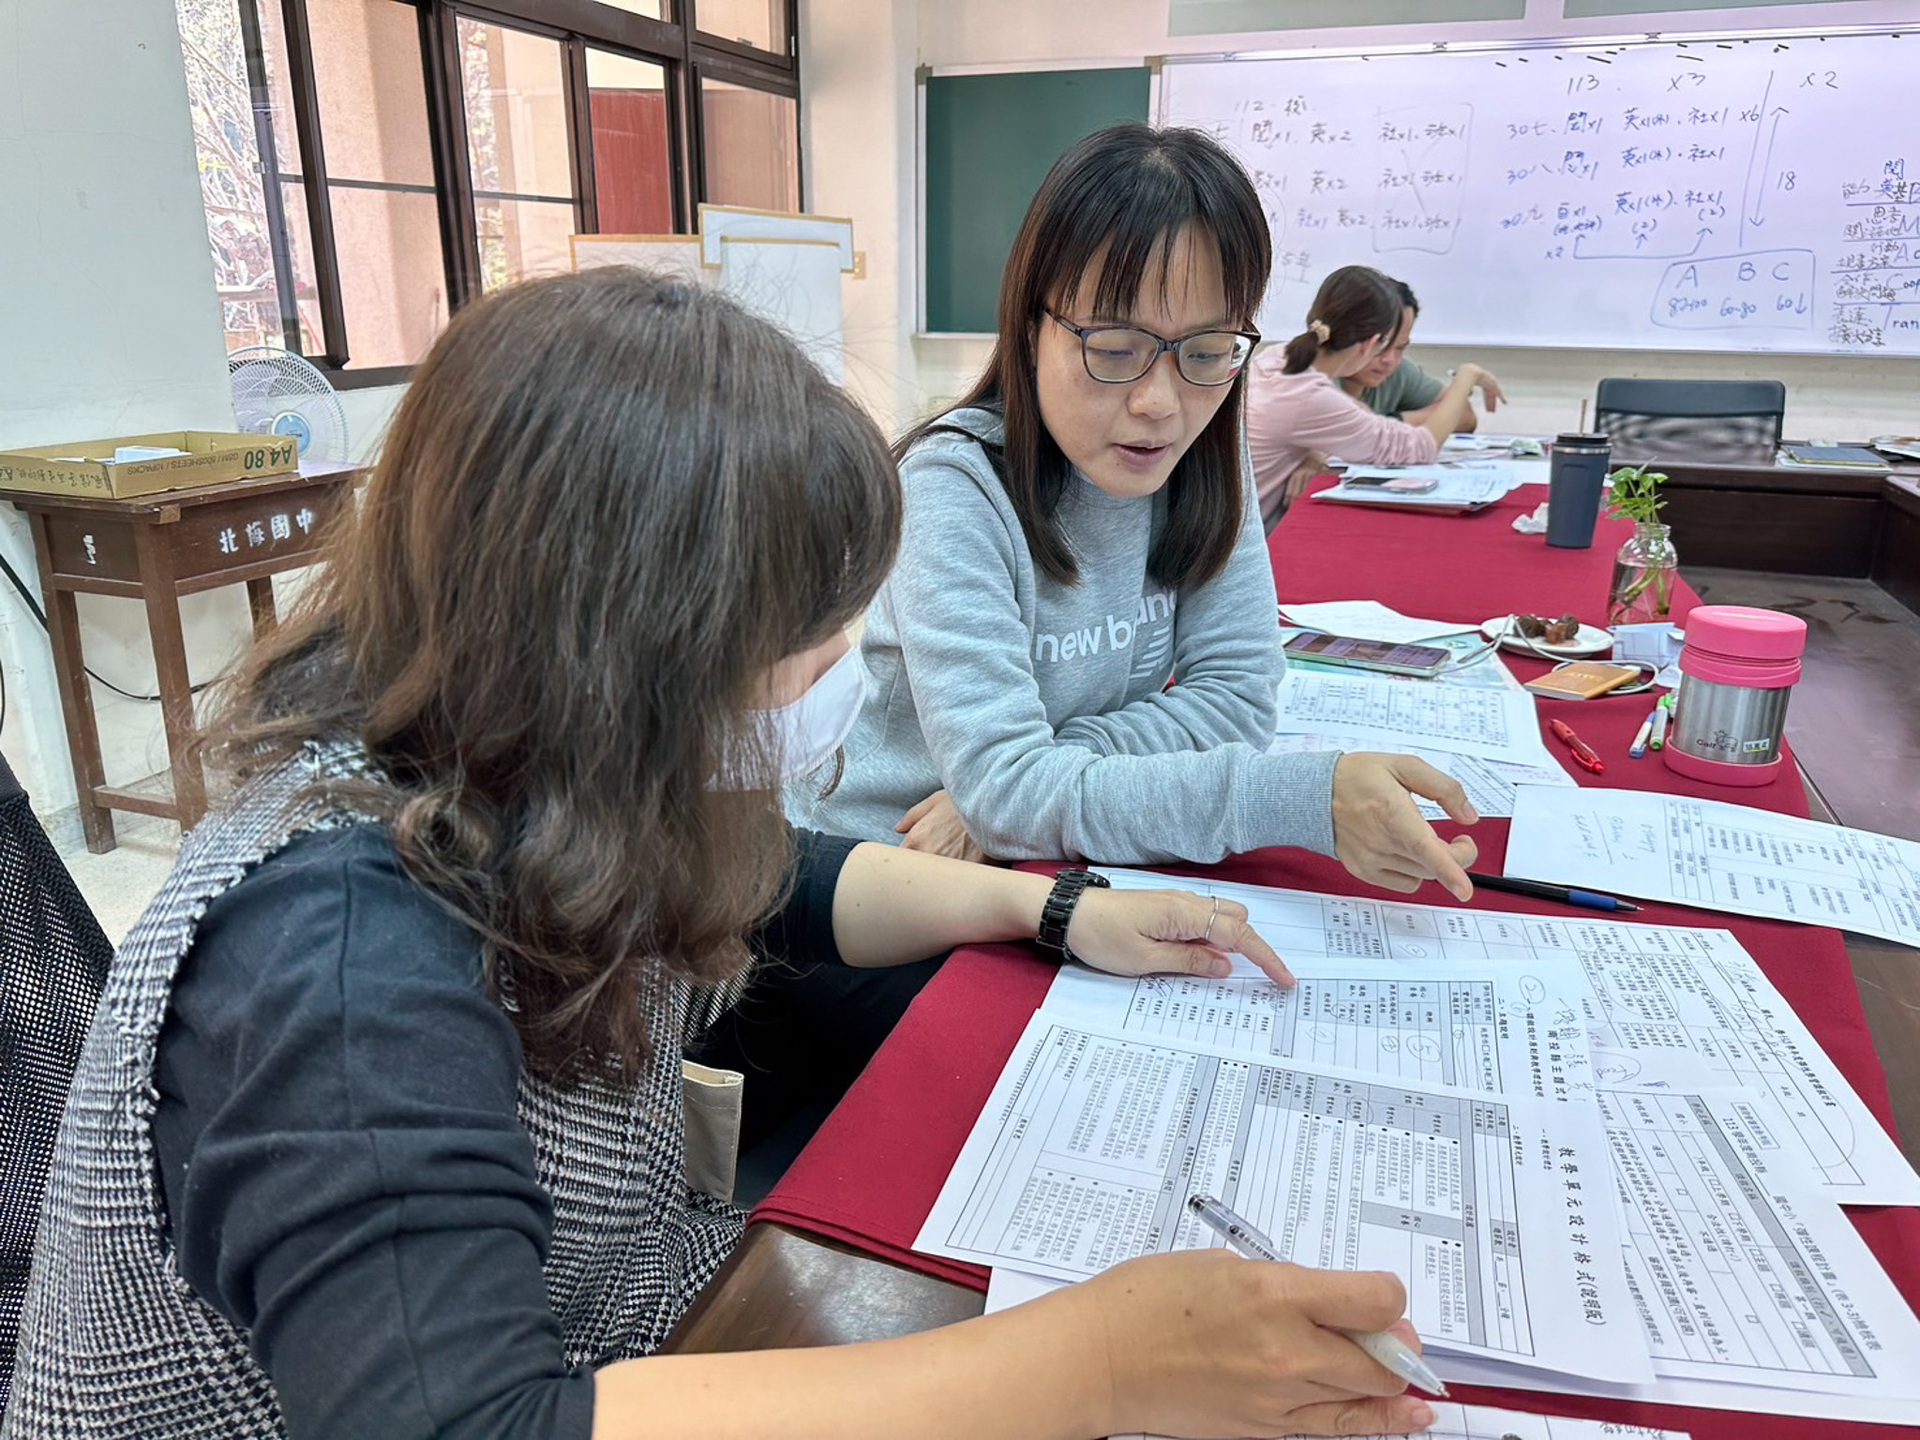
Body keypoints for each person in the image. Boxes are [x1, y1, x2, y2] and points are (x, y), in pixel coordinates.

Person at [3, 269, 1438, 1440]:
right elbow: (467, 1422)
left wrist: (1046, 910)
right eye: (801, 639)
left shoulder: (542, 760)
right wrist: (1106, 1367)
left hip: (632, 1321)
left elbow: (783, 881)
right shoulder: (338, 957)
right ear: (625, 651)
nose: (833, 673)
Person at [791, 124, 1479, 903]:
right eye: (1114, 349)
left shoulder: (1201, 455)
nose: (1160, 403)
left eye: (1206, 350)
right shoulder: (955, 486)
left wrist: (1040, 778)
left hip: (1041, 856)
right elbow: (1010, 795)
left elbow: (1238, 700)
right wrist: (1294, 799)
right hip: (882, 870)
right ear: (1030, 329)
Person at [1244, 265, 1502, 528]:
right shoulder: (1310, 396)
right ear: (1372, 343)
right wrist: (1466, 378)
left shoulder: (1276, 358)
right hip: (1245, 542)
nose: (1389, 359)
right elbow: (1421, 447)